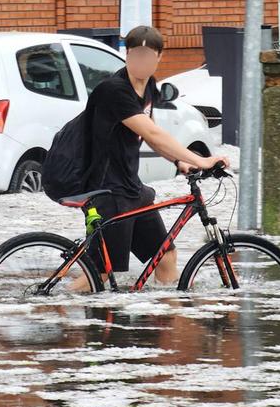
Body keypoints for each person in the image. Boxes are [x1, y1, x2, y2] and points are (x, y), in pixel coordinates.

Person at [71, 25, 230, 291]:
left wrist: (179, 162)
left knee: (165, 256)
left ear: (159, 57)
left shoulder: (147, 89)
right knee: (98, 275)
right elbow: (152, 133)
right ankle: (49, 310)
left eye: (148, 55)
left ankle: (163, 327)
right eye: (136, 54)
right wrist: (201, 160)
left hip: (131, 189)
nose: (141, 61)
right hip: (106, 190)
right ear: (127, 54)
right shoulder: (114, 90)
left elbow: (152, 129)